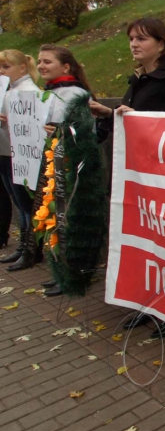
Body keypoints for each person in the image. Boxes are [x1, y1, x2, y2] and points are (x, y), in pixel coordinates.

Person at [90, 17, 165, 338]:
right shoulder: (139, 80)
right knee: (149, 247)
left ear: (162, 44)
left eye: (141, 39)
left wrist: (140, 119)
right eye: (130, 39)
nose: (134, 45)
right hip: (141, 182)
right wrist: (111, 114)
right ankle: (151, 303)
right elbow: (134, 126)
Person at [16, 44, 96, 288]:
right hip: (54, 166)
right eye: (39, 61)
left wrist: (61, 131)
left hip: (72, 168)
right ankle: (62, 272)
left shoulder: (75, 94)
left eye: (47, 61)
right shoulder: (49, 92)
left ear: (66, 66)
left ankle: (74, 275)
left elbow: (86, 131)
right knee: (55, 220)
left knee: (69, 222)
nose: (41, 66)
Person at [0, 50, 42, 258]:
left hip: (18, 155)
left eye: (6, 67)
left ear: (22, 68)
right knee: (19, 203)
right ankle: (25, 246)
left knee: (26, 204)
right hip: (7, 152)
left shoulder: (28, 92)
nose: (1, 72)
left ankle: (30, 248)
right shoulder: (10, 90)